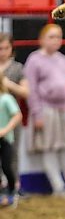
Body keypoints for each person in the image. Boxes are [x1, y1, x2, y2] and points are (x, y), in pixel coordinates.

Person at [24, 23, 65, 196]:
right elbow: (32, 89)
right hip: (45, 110)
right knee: (49, 148)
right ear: (42, 39)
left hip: (62, 111)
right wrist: (37, 113)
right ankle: (58, 186)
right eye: (51, 37)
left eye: (58, 37)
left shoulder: (63, 59)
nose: (55, 41)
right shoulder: (34, 60)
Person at [0, 33, 29, 189]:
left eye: (6, 48)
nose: (3, 52)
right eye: (0, 48)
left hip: (11, 117)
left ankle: (14, 186)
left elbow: (26, 92)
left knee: (11, 154)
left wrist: (7, 84)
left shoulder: (18, 68)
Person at [0, 71, 22, 207]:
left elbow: (17, 115)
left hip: (5, 139)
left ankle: (12, 190)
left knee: (7, 166)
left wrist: (5, 130)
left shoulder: (6, 99)